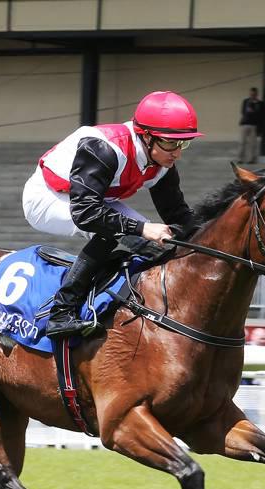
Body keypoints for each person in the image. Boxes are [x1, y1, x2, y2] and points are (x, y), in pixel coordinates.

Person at [22, 90, 203, 338]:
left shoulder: (161, 161)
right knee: (115, 231)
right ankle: (61, 313)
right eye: (171, 143)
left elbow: (178, 214)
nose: (177, 152)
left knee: (155, 245)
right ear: (146, 136)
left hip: (94, 202)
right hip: (46, 198)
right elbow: (86, 214)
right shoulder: (104, 148)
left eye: (184, 143)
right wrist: (142, 228)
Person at [237, 87, 264, 164]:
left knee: (252, 143)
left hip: (254, 125)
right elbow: (243, 112)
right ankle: (240, 159)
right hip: (245, 124)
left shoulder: (260, 103)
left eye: (254, 94)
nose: (252, 95)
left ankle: (251, 159)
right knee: (242, 142)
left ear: (256, 94)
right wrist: (253, 112)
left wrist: (253, 112)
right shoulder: (246, 101)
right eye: (251, 94)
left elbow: (261, 115)